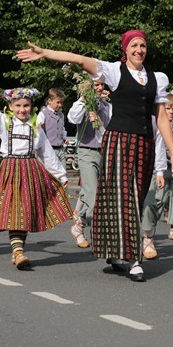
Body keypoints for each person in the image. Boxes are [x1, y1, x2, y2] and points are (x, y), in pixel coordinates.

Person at [16, 31, 173, 282]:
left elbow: (161, 118)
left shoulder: (156, 79)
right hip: (119, 142)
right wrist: (46, 53)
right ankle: (134, 258)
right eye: (134, 45)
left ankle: (117, 252)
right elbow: (79, 59)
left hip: (144, 143)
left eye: (143, 45)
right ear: (125, 50)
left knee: (135, 199)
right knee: (124, 198)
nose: (139, 50)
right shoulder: (114, 71)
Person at [0, 86, 72, 269]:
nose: (22, 109)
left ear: (31, 106)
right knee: (14, 210)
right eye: (18, 105)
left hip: (30, 169)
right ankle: (18, 252)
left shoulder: (36, 127)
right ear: (10, 105)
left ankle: (18, 251)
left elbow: (47, 153)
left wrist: (61, 175)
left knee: (24, 210)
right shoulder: (3, 121)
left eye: (26, 105)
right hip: (11, 169)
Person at [141, 93, 173, 258]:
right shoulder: (152, 122)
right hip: (155, 165)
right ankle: (147, 233)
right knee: (157, 199)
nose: (170, 112)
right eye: (168, 108)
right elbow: (156, 146)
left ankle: (172, 227)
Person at [67, 78, 112, 248]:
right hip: (86, 151)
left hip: (104, 151)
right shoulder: (82, 104)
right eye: (96, 85)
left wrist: (99, 124)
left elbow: (110, 129)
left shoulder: (107, 105)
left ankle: (79, 224)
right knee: (92, 191)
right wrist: (85, 101)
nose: (100, 88)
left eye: (102, 85)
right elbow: (73, 118)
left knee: (99, 192)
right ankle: (96, 232)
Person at [37, 88, 68, 170]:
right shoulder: (43, 114)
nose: (60, 105)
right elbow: (38, 130)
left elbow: (62, 128)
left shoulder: (61, 114)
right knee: (50, 175)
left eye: (61, 102)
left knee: (63, 173)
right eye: (58, 102)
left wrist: (64, 138)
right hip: (49, 150)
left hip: (61, 149)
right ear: (50, 101)